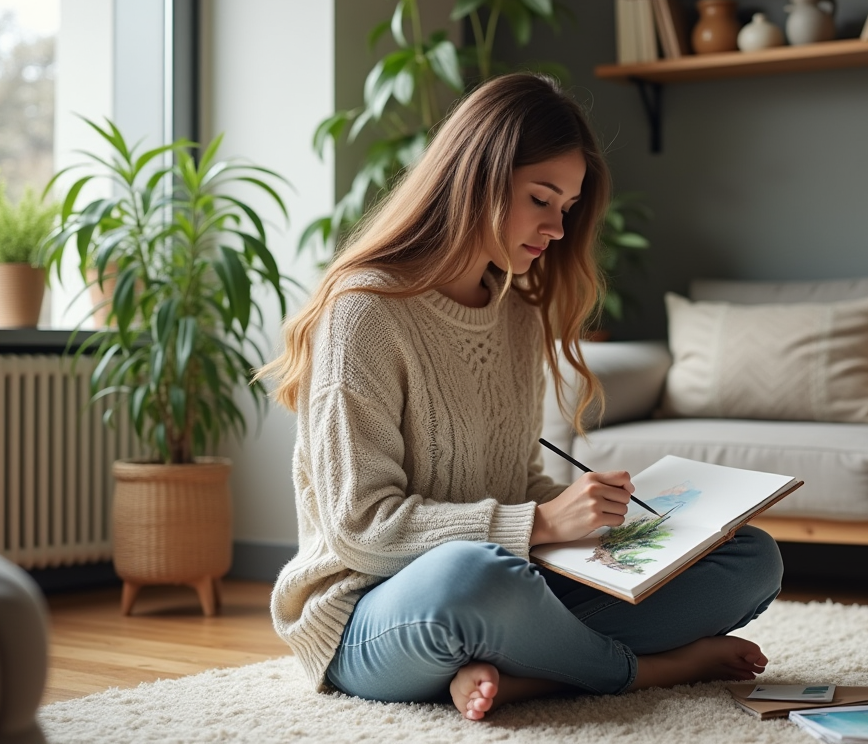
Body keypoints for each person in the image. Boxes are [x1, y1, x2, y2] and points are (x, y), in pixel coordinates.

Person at [256, 73, 783, 721]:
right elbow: (361, 529)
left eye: (567, 208)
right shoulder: (365, 310)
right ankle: (640, 670)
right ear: (476, 177)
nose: (558, 229)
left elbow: (514, 479)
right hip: (377, 612)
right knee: (471, 578)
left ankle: (526, 670)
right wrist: (541, 523)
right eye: (542, 199)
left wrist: (607, 526)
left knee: (748, 556)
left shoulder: (515, 313)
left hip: (507, 591)